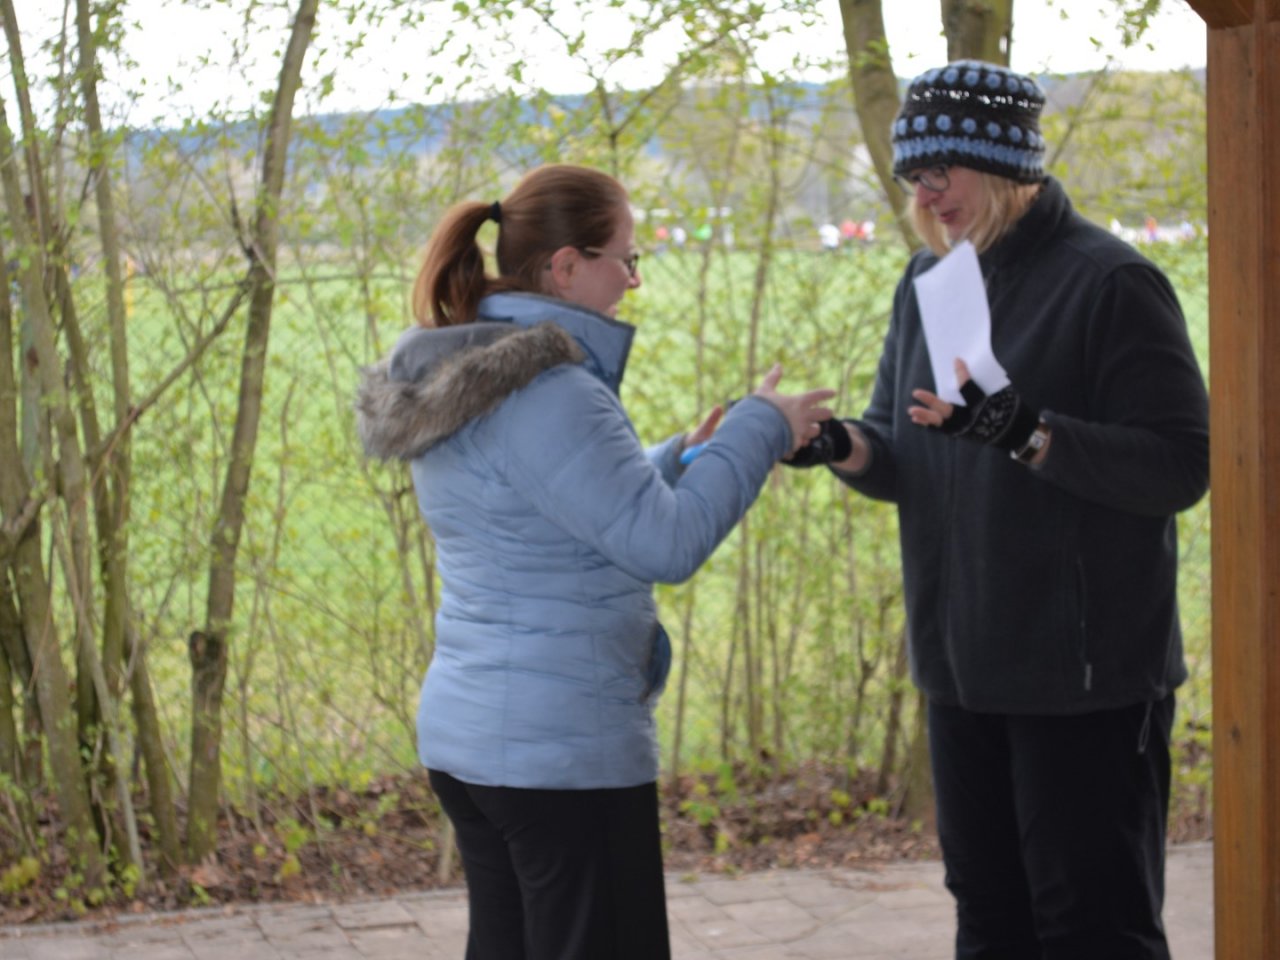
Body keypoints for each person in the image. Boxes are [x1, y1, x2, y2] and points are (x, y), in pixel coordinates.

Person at [355, 163, 835, 960]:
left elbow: (545, 504)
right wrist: (761, 426)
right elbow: (666, 543)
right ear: (567, 266)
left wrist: (678, 458)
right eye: (626, 258)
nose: (634, 280)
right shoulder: (553, 392)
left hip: (477, 744)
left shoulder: (465, 375)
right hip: (559, 753)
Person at [802, 61, 1210, 958]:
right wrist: (836, 445)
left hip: (1086, 684)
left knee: (1093, 928)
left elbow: (1180, 466)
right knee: (989, 919)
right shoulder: (931, 279)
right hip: (962, 676)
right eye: (912, 176)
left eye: (939, 170)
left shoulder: (1111, 282)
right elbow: (902, 450)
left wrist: (1030, 433)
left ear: (1001, 163)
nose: (923, 194)